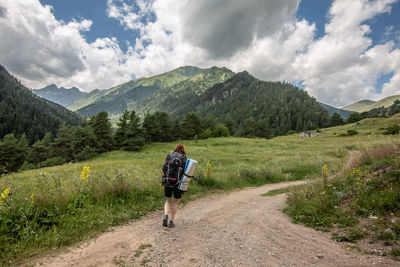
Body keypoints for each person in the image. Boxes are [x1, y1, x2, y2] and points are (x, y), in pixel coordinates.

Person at [162, 144, 187, 228]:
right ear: (183, 149)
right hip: (178, 183)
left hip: (168, 181)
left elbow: (164, 168)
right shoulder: (184, 157)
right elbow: (185, 172)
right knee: (175, 202)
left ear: (175, 148)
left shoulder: (170, 155)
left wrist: (164, 179)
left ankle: (165, 215)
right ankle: (171, 221)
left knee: (168, 200)